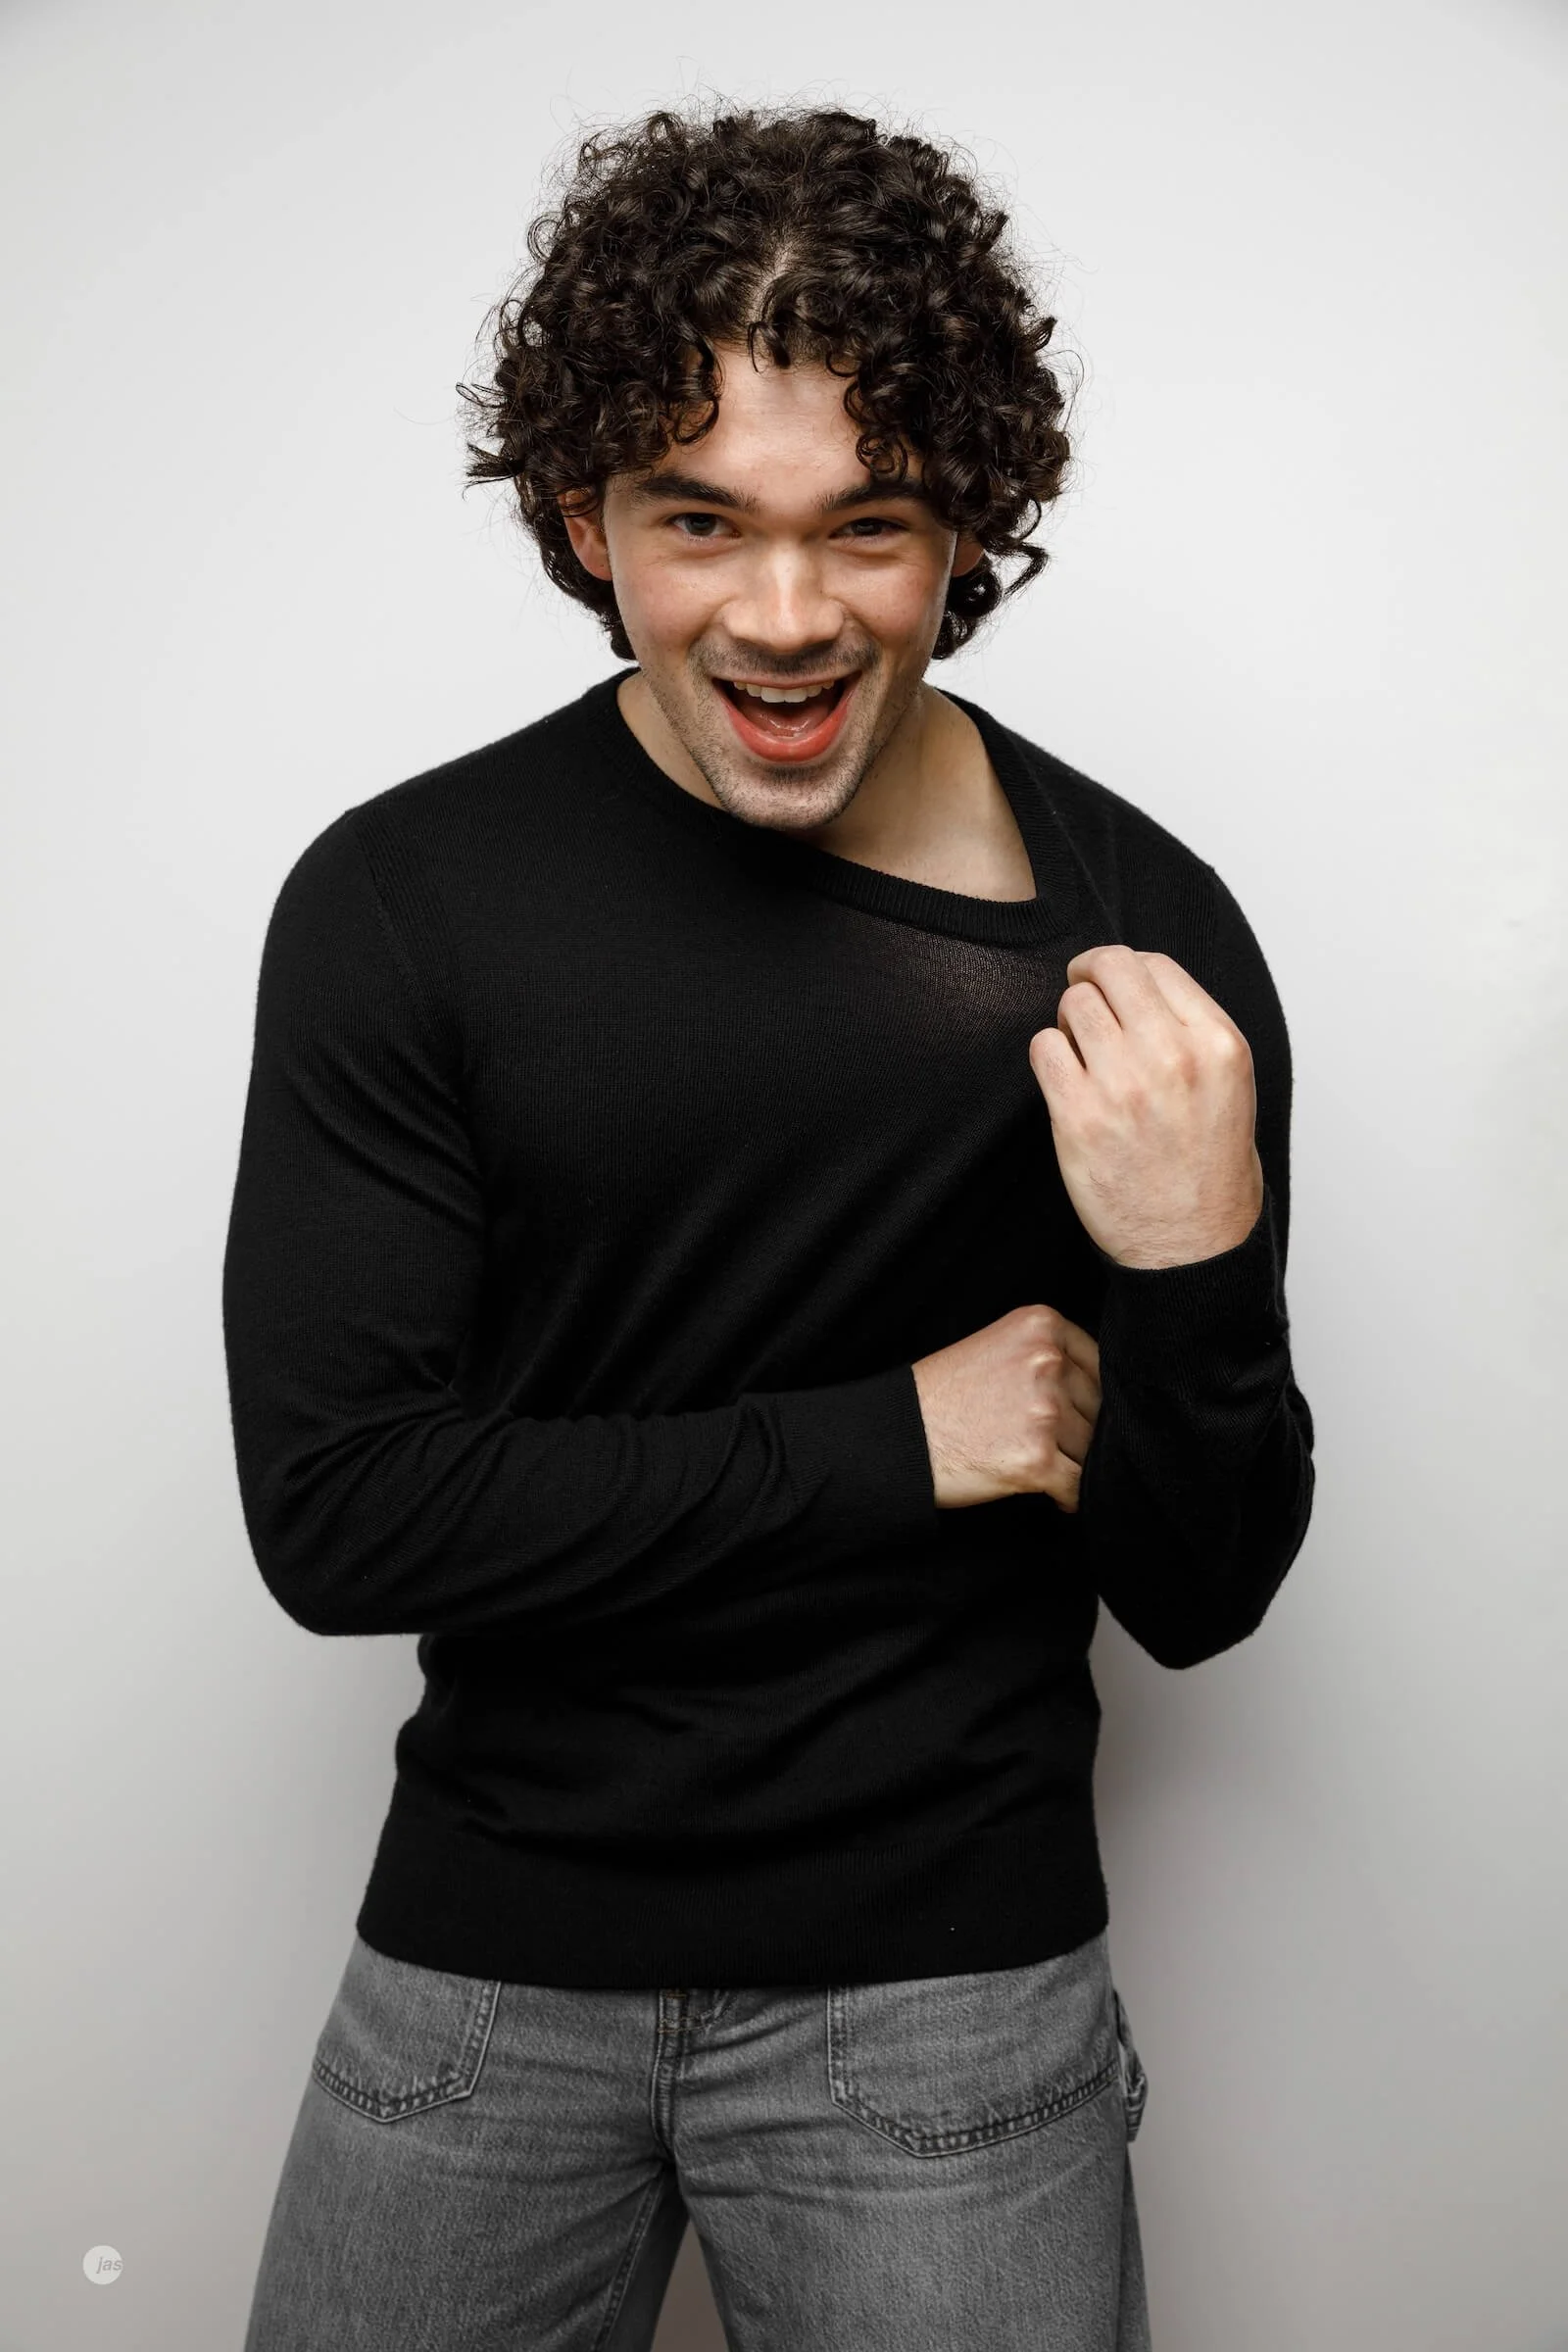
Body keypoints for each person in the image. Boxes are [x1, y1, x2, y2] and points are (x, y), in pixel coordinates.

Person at [224, 101, 1315, 2352]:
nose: (789, 615)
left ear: (962, 536)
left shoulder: (1134, 937)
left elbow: (1200, 1600)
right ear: (580, 518)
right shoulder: (404, 902)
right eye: (699, 521)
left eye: (870, 528)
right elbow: (340, 1518)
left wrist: (1194, 1263)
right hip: (480, 1980)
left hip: (945, 2011)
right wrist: (895, 1438)